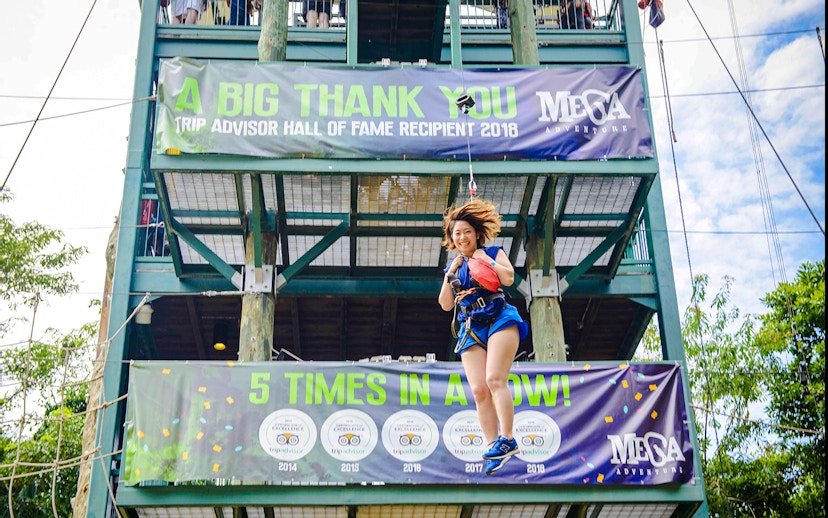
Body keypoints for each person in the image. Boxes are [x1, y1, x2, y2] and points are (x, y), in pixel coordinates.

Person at [438, 199, 529, 476]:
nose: (462, 237)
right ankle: (494, 446)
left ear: (476, 233)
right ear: (451, 239)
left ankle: (508, 437)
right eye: (457, 233)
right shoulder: (453, 268)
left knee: (494, 380)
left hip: (499, 317)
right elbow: (445, 304)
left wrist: (484, 259)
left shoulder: (492, 252)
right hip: (470, 326)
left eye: (466, 231)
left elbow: (509, 278)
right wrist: (449, 275)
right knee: (478, 390)